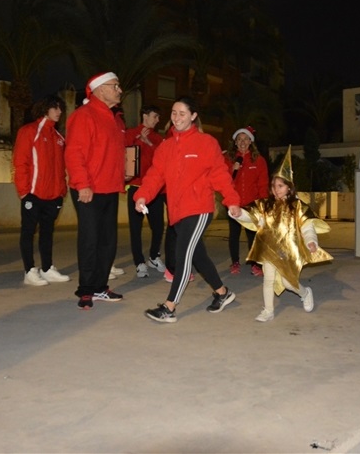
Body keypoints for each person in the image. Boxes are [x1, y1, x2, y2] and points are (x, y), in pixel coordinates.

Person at [134, 96, 241, 323]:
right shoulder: (166, 147)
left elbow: (220, 175)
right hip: (177, 211)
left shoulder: (206, 143)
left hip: (199, 208)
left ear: (193, 116)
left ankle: (169, 307)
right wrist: (142, 195)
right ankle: (223, 293)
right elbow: (155, 175)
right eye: (174, 113)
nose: (176, 117)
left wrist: (231, 199)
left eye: (182, 113)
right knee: (198, 255)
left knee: (183, 255)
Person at [230, 148, 333, 322]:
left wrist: (311, 241)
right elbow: (253, 216)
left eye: (280, 186)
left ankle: (305, 292)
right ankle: (268, 310)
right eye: (273, 186)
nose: (276, 190)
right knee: (268, 279)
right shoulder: (266, 205)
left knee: (288, 283)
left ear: (289, 187)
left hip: (288, 252)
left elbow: (307, 226)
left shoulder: (298, 207)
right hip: (269, 249)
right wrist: (239, 213)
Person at [65, 72, 126, 310]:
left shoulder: (115, 119)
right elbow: (74, 153)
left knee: (108, 241)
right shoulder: (84, 115)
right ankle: (86, 289)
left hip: (110, 187)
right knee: (90, 240)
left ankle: (100, 286)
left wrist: (122, 175)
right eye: (115, 86)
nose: (119, 90)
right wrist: (82, 184)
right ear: (100, 89)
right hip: (89, 189)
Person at [13, 94, 70, 286]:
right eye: (55, 107)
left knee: (47, 232)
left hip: (54, 196)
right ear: (45, 108)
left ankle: (47, 268)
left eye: (61, 108)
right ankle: (29, 271)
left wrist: (62, 191)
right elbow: (20, 163)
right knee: (28, 232)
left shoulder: (59, 137)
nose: (59, 111)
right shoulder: (29, 131)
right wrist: (24, 192)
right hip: (33, 194)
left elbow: (61, 167)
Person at [125, 104, 167, 278]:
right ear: (145, 116)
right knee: (135, 229)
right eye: (155, 116)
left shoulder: (157, 138)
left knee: (158, 227)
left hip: (155, 190)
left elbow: (162, 160)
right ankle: (139, 262)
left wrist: (147, 143)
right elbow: (122, 153)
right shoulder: (130, 134)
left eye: (158, 117)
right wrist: (137, 139)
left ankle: (154, 256)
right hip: (136, 189)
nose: (157, 120)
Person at [226, 126, 269, 276]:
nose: (243, 142)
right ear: (235, 142)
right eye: (240, 139)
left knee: (253, 235)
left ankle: (255, 263)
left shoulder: (259, 160)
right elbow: (223, 181)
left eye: (245, 139)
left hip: (252, 205)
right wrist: (232, 169)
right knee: (234, 234)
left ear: (250, 141)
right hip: (234, 203)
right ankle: (235, 262)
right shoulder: (229, 159)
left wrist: (263, 203)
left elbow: (263, 183)